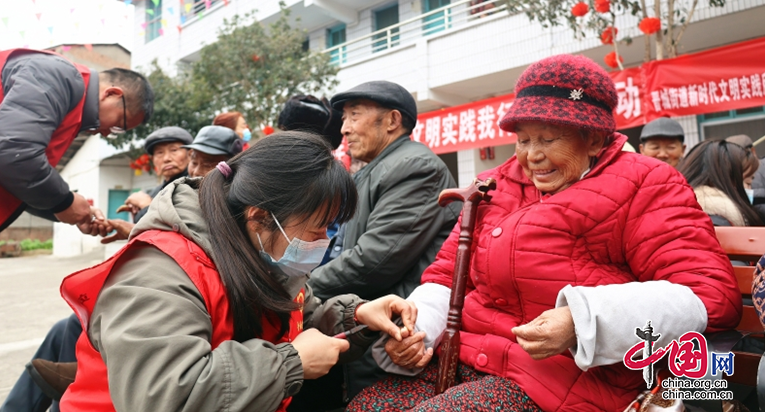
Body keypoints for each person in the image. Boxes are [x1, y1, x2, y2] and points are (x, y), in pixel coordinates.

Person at [350, 54, 741, 412]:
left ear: (592, 137)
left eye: (547, 139)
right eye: (522, 140)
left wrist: (581, 322)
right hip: (467, 360)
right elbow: (446, 274)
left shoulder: (646, 182)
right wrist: (418, 331)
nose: (531, 155)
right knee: (366, 406)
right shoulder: (494, 185)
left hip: (565, 381)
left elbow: (711, 295)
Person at [58, 131, 418, 411]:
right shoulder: (160, 271)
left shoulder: (256, 250)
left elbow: (299, 319)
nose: (324, 241)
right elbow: (165, 397)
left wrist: (357, 316)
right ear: (261, 216)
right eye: (318, 228)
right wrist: (289, 363)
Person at [304, 80, 460, 403]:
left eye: (354, 115)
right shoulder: (375, 169)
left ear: (392, 121)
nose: (343, 129)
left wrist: (303, 289)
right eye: (344, 118)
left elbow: (373, 261)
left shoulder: (414, 167)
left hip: (394, 338)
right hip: (368, 326)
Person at [0, 48, 153, 234]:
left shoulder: (70, 111)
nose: (106, 133)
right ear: (112, 94)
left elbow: (17, 181)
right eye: (118, 125)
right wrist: (64, 201)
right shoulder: (56, 75)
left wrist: (76, 211)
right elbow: (13, 153)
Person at [678, 139, 762, 227]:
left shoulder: (681, 210)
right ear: (726, 181)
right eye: (748, 183)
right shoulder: (718, 221)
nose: (751, 189)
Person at [120, 126, 192, 224]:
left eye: (174, 150)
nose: (166, 158)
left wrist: (145, 205)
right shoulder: (154, 193)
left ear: (190, 154)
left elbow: (177, 226)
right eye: (160, 153)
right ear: (153, 160)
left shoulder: (195, 187)